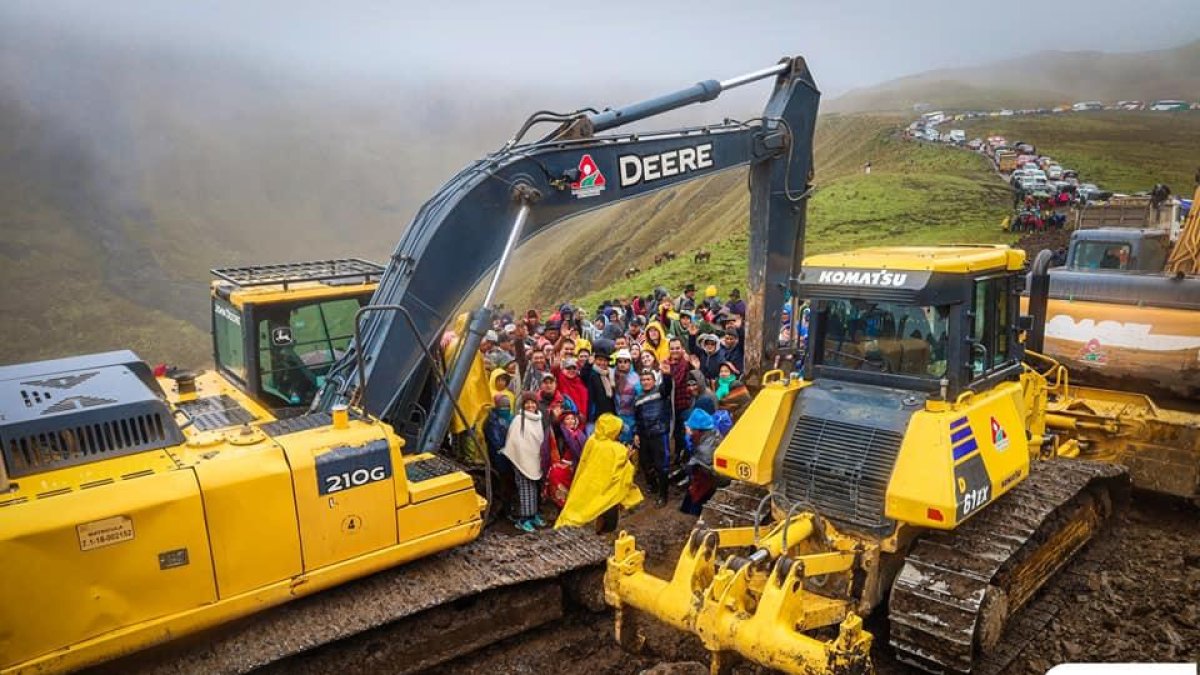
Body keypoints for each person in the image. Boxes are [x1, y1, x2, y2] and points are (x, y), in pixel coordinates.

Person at [556, 413, 643, 531]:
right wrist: (627, 458)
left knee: (582, 508)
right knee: (607, 514)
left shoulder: (593, 440)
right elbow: (623, 473)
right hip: (607, 491)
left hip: (587, 484)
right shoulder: (616, 449)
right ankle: (604, 532)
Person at [504, 393, 547, 532]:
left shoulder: (539, 419)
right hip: (521, 460)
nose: (530, 406)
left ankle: (533, 515)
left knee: (534, 488)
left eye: (532, 403)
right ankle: (523, 520)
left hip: (535, 459)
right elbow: (514, 441)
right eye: (527, 403)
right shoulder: (518, 419)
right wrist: (522, 458)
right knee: (525, 489)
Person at [634, 366, 673, 506]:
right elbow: (637, 418)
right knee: (645, 463)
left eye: (648, 379)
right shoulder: (637, 398)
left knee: (661, 465)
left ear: (654, 380)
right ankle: (653, 485)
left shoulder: (660, 392)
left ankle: (664, 495)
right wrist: (636, 433)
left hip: (659, 433)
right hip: (645, 435)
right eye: (643, 380)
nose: (645, 382)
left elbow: (668, 386)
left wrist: (666, 374)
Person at [680, 408, 720, 516]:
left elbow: (692, 465)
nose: (690, 432)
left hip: (708, 478)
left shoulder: (705, 450)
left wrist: (687, 467)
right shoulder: (712, 433)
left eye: (692, 430)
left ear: (699, 430)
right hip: (706, 474)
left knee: (698, 498)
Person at [666, 337, 693, 463]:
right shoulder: (665, 364)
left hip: (686, 403)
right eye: (672, 348)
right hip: (672, 405)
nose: (675, 351)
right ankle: (677, 455)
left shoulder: (687, 363)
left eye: (677, 348)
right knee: (676, 432)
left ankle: (687, 456)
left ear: (682, 349)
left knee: (686, 432)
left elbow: (677, 381)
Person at [611, 349, 640, 444]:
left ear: (630, 363)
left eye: (625, 361)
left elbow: (639, 400)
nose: (622, 364)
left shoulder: (635, 378)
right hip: (615, 417)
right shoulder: (611, 375)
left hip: (631, 418)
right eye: (620, 361)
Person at [554, 356, 590, 424]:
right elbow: (555, 369)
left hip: (582, 420)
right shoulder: (560, 379)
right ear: (562, 370)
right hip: (567, 422)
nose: (571, 370)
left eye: (574, 368)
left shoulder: (580, 381)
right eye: (568, 368)